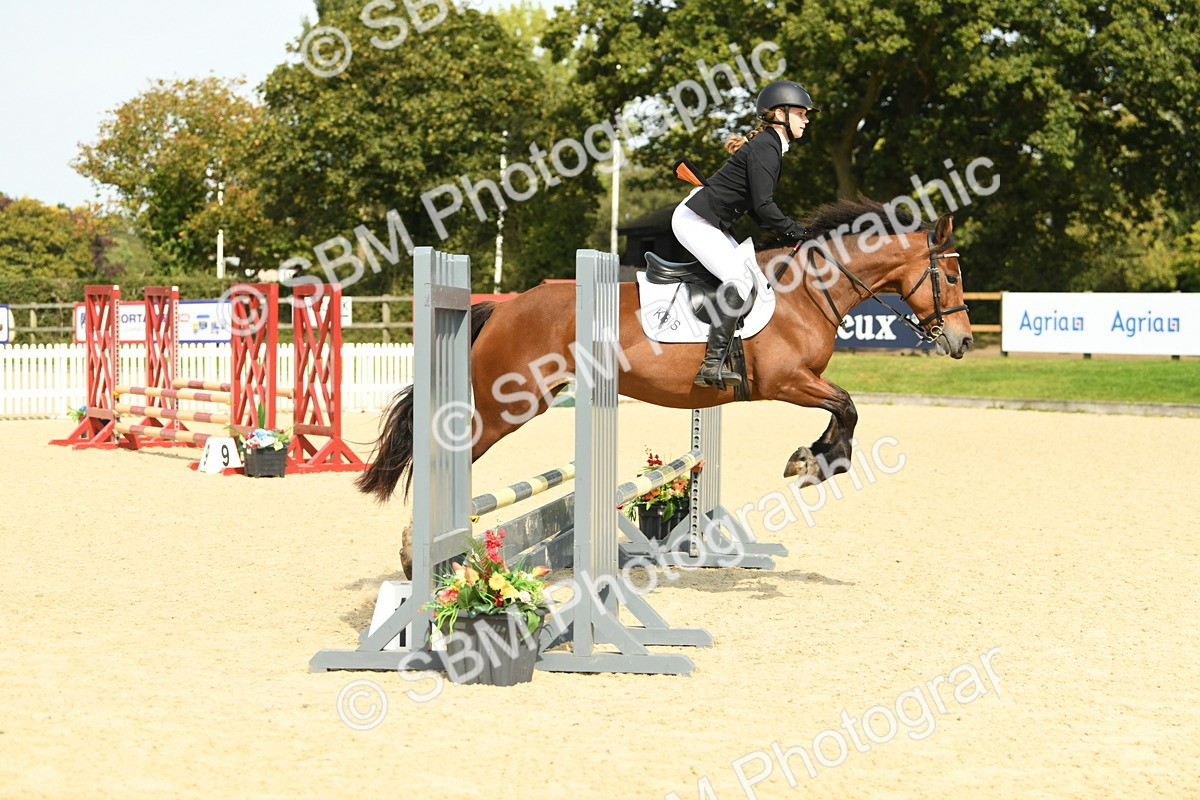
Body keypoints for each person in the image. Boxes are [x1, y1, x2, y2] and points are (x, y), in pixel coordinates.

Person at [672, 79, 819, 389]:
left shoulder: (771, 146)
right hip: (695, 220)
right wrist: (797, 231)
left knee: (748, 276)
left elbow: (755, 205)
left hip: (709, 221)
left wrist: (788, 234)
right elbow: (765, 206)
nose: (807, 119)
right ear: (780, 114)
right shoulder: (767, 147)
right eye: (802, 113)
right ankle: (712, 365)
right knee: (739, 280)